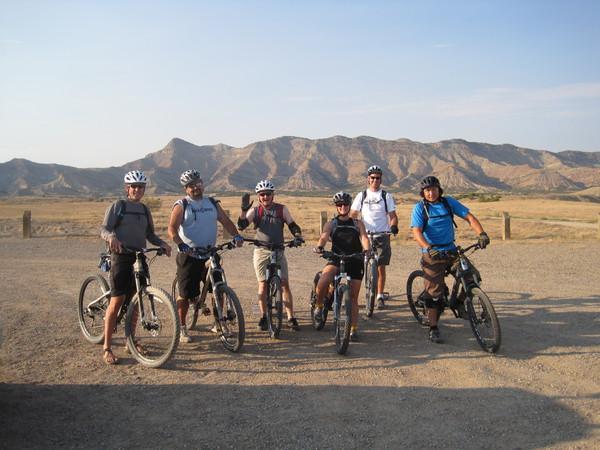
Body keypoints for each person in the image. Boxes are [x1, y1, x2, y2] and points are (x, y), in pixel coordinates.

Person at [100, 170, 172, 365]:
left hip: (139, 257)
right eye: (134, 187)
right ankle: (107, 347)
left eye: (141, 187)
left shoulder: (144, 210)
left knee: (136, 298)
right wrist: (112, 237)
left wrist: (162, 244)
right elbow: (104, 229)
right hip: (121, 257)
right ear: (127, 188)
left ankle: (130, 340)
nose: (137, 190)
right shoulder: (118, 206)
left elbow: (150, 234)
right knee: (116, 302)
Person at [410, 175, 490, 343]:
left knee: (472, 276)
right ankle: (433, 328)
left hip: (451, 250)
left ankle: (459, 303)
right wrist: (429, 247)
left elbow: (469, 217)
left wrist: (481, 233)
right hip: (432, 254)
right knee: (434, 295)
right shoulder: (420, 208)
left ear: (439, 190)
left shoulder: (448, 202)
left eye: (433, 189)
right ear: (422, 193)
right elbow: (416, 232)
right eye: (427, 191)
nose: (430, 193)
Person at [167, 169, 243, 343]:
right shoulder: (182, 205)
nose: (195, 187)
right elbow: (172, 229)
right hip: (189, 254)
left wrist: (236, 235)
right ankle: (182, 328)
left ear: (202, 183)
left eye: (198, 183)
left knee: (219, 288)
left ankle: (218, 323)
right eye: (191, 185)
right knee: (185, 294)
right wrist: (180, 244)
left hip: (210, 253)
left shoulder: (211, 203)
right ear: (186, 188)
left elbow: (226, 221)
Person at [237, 179, 303, 331]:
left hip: (279, 250)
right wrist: (243, 210)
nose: (265, 197)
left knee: (285, 283)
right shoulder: (255, 211)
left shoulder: (281, 210)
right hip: (261, 251)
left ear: (273, 195)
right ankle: (263, 317)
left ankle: (291, 317)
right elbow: (241, 226)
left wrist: (297, 236)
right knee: (263, 284)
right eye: (262, 195)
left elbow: (293, 225)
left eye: (268, 194)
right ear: (259, 196)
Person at [313, 192, 370, 341]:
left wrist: (366, 249)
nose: (343, 207)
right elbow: (324, 237)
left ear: (350, 205)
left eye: (345, 204)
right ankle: (319, 306)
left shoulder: (358, 224)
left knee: (353, 297)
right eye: (339, 205)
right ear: (336, 207)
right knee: (324, 280)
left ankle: (353, 329)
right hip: (336, 258)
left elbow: (364, 237)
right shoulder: (331, 223)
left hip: (355, 260)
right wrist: (320, 247)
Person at [350, 165, 399, 309]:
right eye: (372, 177)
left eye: (378, 178)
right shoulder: (362, 195)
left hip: (382, 235)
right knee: (358, 266)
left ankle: (379, 295)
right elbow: (353, 213)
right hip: (365, 236)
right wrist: (352, 227)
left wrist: (393, 226)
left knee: (380, 267)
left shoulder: (386, 196)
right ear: (368, 179)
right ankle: (355, 297)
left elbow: (393, 216)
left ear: (381, 179)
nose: (375, 180)